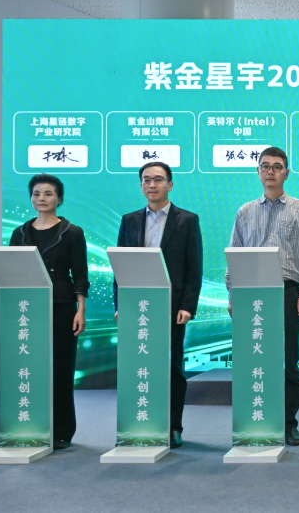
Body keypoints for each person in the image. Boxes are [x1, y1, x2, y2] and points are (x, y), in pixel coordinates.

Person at [227, 147, 299, 446]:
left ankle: (289, 424)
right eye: (265, 166)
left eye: (277, 167)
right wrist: (233, 294)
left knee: (288, 362)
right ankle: (256, 422)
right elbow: (234, 255)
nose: (270, 171)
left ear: (286, 173)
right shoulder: (245, 211)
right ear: (258, 171)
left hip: (286, 292)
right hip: (251, 293)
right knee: (253, 359)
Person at [115, 161, 203, 449]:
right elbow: (120, 266)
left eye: (158, 179)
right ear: (141, 185)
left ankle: (173, 427)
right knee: (139, 366)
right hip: (137, 306)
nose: (151, 184)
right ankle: (140, 425)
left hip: (171, 307)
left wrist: (188, 306)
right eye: (146, 179)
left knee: (172, 367)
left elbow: (194, 267)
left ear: (170, 184)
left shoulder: (187, 220)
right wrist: (120, 303)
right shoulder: (129, 220)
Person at [10, 174, 89, 450]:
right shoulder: (19, 233)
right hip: (27, 309)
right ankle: (31, 425)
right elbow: (11, 272)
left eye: (48, 194)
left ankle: (62, 431)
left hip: (62, 307)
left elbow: (80, 275)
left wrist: (80, 310)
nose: (41, 198)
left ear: (59, 199)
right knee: (29, 368)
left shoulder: (72, 232)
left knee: (61, 369)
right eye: (36, 194)